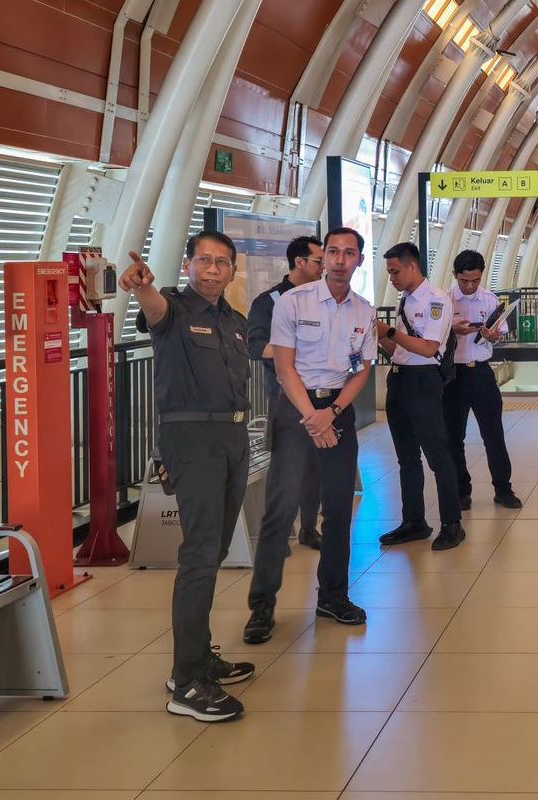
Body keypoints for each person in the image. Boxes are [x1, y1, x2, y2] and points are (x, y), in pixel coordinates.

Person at [119, 231, 255, 724]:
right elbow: (152, 309)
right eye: (203, 261)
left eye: (221, 263)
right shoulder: (173, 309)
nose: (212, 270)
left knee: (214, 550)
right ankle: (188, 683)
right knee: (199, 556)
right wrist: (139, 286)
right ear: (189, 265)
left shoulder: (233, 321)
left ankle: (196, 659)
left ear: (232, 271)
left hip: (234, 441)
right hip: (193, 443)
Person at [247, 226, 377, 637]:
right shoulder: (293, 301)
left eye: (349, 253)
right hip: (296, 409)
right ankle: (262, 606)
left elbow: (362, 369)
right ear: (324, 260)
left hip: (337, 409)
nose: (340, 260)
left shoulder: (364, 310)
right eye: (333, 252)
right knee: (280, 511)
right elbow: (284, 367)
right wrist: (312, 416)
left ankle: (333, 597)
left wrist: (333, 412)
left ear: (359, 260)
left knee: (338, 509)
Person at [375, 242, 467, 550]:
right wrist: (376, 336)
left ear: (412, 266)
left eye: (395, 271)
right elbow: (399, 349)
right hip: (399, 380)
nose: (392, 278)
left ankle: (452, 524)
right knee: (406, 457)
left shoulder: (436, 300)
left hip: (423, 382)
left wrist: (388, 332)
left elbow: (428, 348)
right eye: (389, 273)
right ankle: (414, 521)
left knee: (437, 455)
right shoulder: (405, 300)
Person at [246, 236, 325, 551]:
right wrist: (294, 351)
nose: (325, 266)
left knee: (315, 466)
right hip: (285, 399)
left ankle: (309, 528)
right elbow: (254, 347)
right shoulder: (269, 302)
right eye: (319, 260)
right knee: (285, 469)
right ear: (300, 262)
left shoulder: (325, 297)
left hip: (322, 396)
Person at [443, 250, 522, 510]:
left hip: (481, 373)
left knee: (493, 434)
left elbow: (501, 333)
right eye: (465, 280)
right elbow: (432, 337)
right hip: (453, 376)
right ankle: (461, 490)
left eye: (475, 280)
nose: (470, 285)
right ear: (456, 276)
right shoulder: (443, 300)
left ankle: (503, 488)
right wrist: (452, 330)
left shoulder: (489, 300)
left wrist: (492, 336)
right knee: (454, 436)